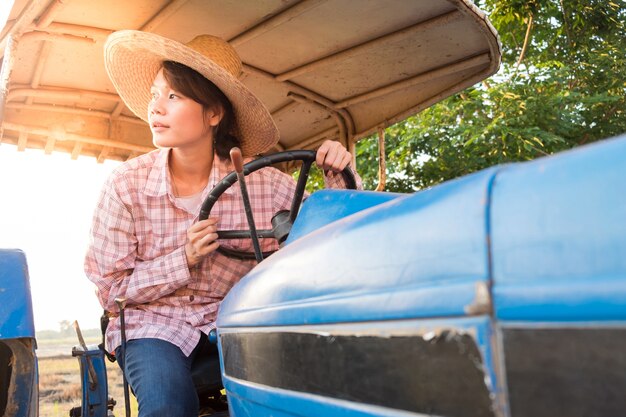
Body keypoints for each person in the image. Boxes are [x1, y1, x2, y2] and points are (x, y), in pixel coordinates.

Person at [85, 30, 361, 417]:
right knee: (168, 405)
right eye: (155, 94)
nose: (156, 108)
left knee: (306, 389)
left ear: (213, 114)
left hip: (234, 321)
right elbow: (110, 290)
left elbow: (330, 230)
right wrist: (183, 258)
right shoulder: (127, 185)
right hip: (153, 325)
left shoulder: (262, 184)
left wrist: (338, 171)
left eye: (174, 96)